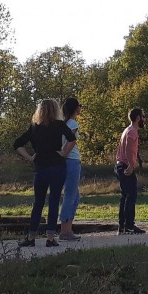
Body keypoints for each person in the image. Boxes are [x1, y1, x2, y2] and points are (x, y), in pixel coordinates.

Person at [14, 99, 77, 247]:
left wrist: (30, 157)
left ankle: (31, 237)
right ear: (55, 110)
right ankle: (50, 238)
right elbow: (72, 139)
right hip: (57, 165)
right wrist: (64, 153)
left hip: (41, 167)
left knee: (38, 202)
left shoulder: (35, 127)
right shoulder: (60, 125)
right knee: (54, 201)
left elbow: (17, 144)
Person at [115, 107, 147, 235]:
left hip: (120, 165)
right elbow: (128, 148)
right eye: (143, 117)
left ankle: (122, 227)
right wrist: (130, 165)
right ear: (138, 118)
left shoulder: (128, 130)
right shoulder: (132, 132)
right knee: (131, 196)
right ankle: (129, 227)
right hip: (125, 166)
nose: (144, 119)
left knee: (125, 196)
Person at [59, 97, 83, 241]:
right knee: (71, 195)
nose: (81, 108)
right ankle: (65, 230)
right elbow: (71, 141)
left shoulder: (63, 123)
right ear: (75, 108)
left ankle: (68, 227)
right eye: (80, 106)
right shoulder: (73, 123)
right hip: (72, 161)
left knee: (74, 195)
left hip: (66, 162)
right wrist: (64, 154)